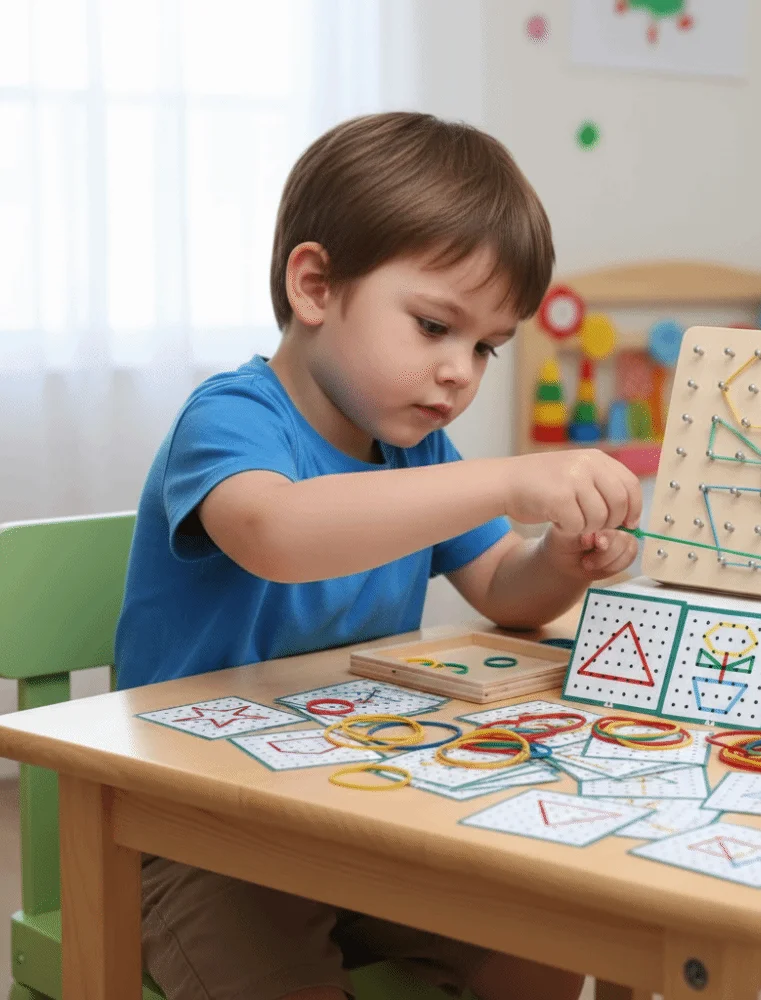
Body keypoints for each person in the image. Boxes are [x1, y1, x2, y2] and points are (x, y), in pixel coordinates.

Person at [117, 111, 642, 1000]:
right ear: (316, 285)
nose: (462, 373)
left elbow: (506, 594)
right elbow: (279, 534)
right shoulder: (234, 418)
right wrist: (506, 481)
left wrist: (565, 558)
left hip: (361, 807)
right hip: (196, 835)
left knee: (551, 928)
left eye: (484, 347)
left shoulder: (416, 454)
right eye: (435, 327)